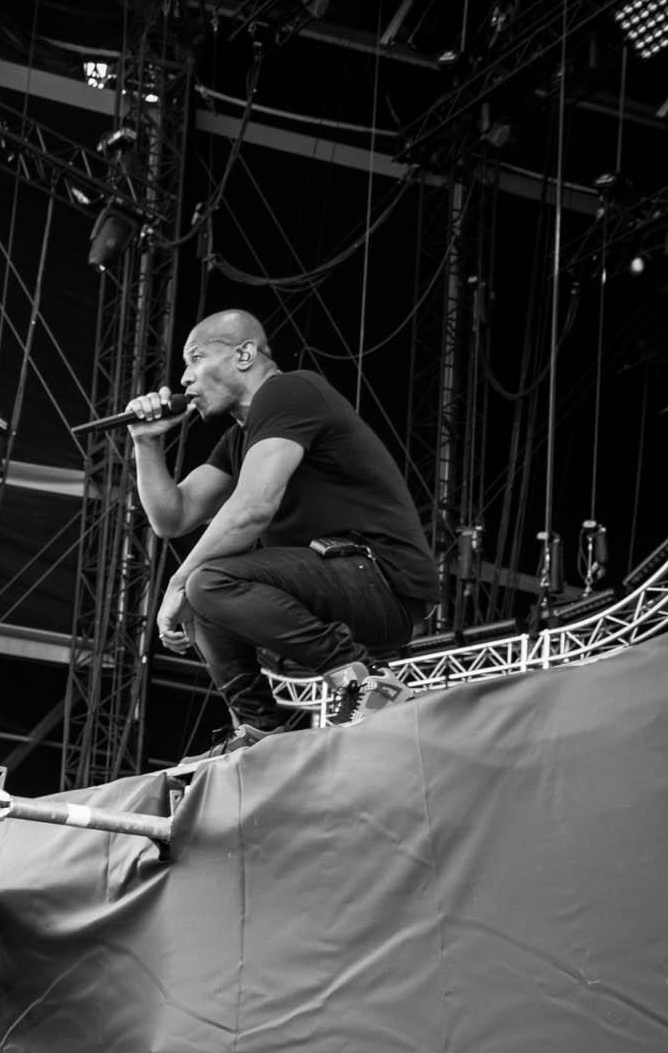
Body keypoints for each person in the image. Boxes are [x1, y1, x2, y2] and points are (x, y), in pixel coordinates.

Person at [125, 309, 438, 759]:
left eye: (195, 359)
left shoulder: (290, 392)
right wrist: (146, 442)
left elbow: (252, 509)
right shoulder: (240, 439)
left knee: (206, 580)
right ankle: (257, 730)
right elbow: (173, 517)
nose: (186, 379)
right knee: (202, 586)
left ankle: (367, 685)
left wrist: (176, 583)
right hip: (333, 586)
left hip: (381, 582)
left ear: (245, 354)